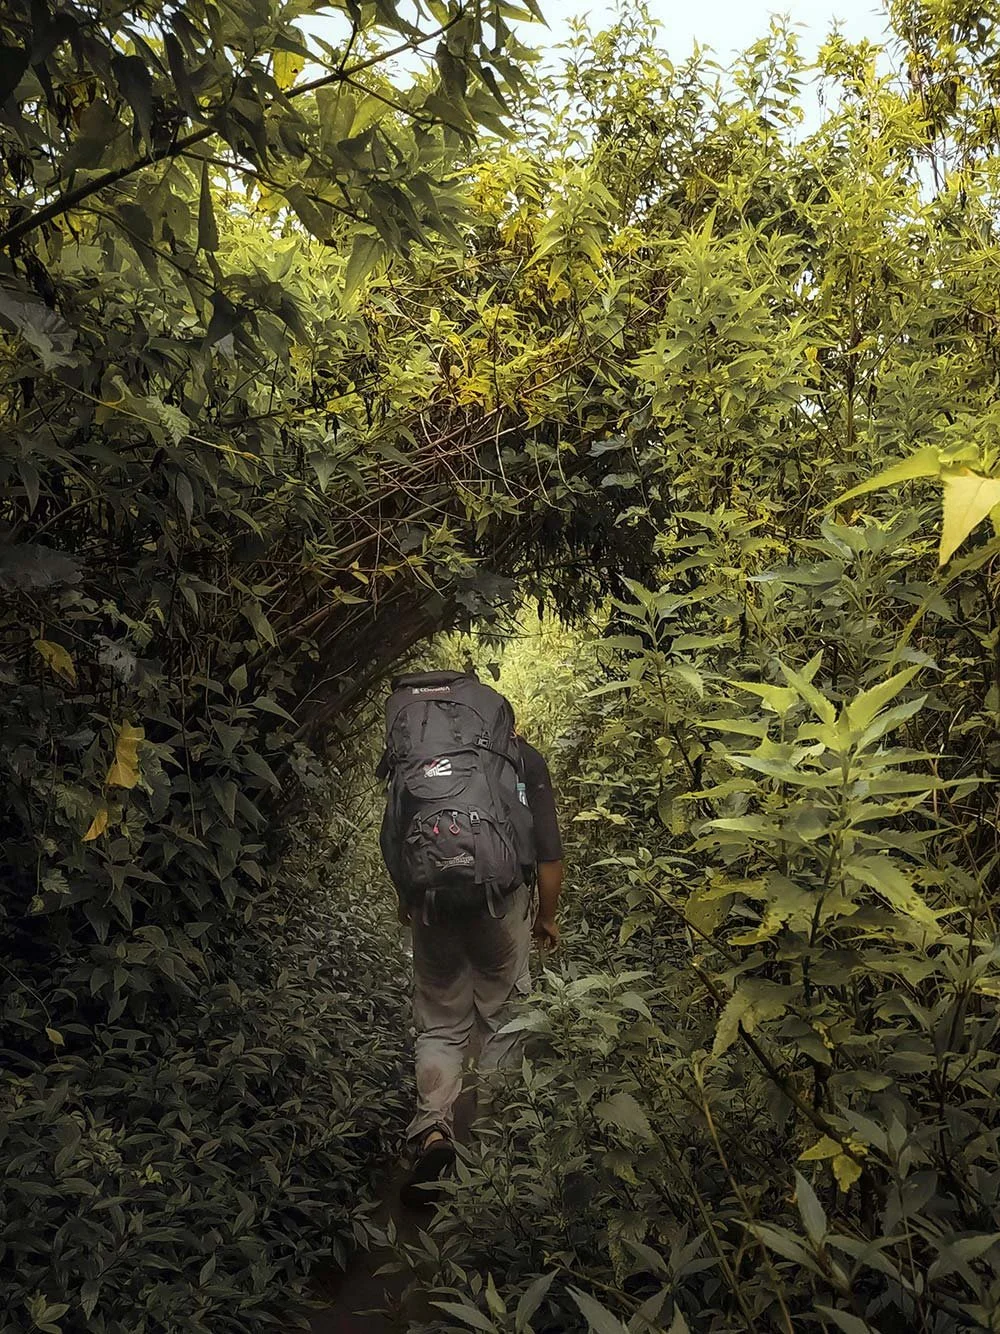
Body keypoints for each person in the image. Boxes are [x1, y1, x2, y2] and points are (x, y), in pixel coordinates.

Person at [392, 728, 564, 1207]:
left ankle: (432, 1134)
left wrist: (408, 901)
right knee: (503, 1016)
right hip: (500, 904)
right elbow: (550, 855)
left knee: (441, 1023)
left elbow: (394, 837)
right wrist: (546, 918)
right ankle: (492, 1147)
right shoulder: (520, 758)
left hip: (432, 902)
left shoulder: (420, 759)